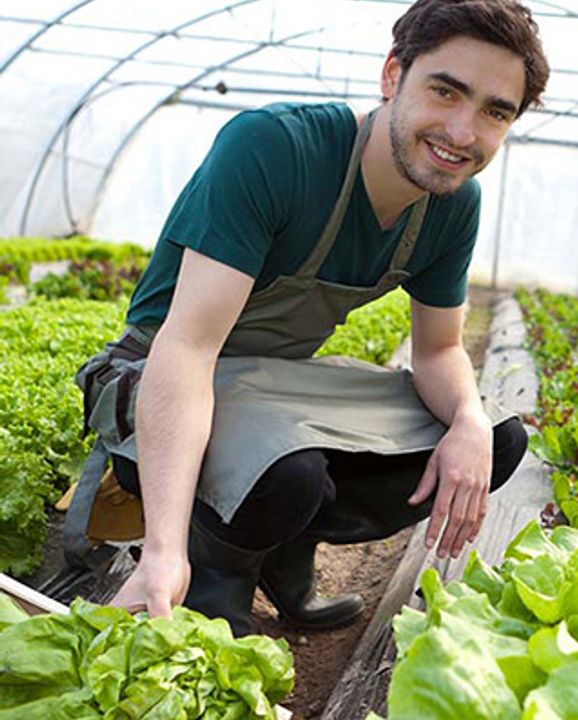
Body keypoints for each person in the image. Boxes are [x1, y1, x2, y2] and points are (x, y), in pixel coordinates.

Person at [72, 0, 549, 636]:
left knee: (492, 440)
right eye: (446, 91)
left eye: (495, 112)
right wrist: (162, 549)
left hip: (272, 386)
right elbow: (186, 349)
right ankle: (214, 575)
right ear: (392, 76)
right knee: (289, 471)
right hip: (155, 377)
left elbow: (437, 352)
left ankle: (282, 543)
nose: (463, 132)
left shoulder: (452, 205)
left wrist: (466, 421)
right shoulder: (276, 148)